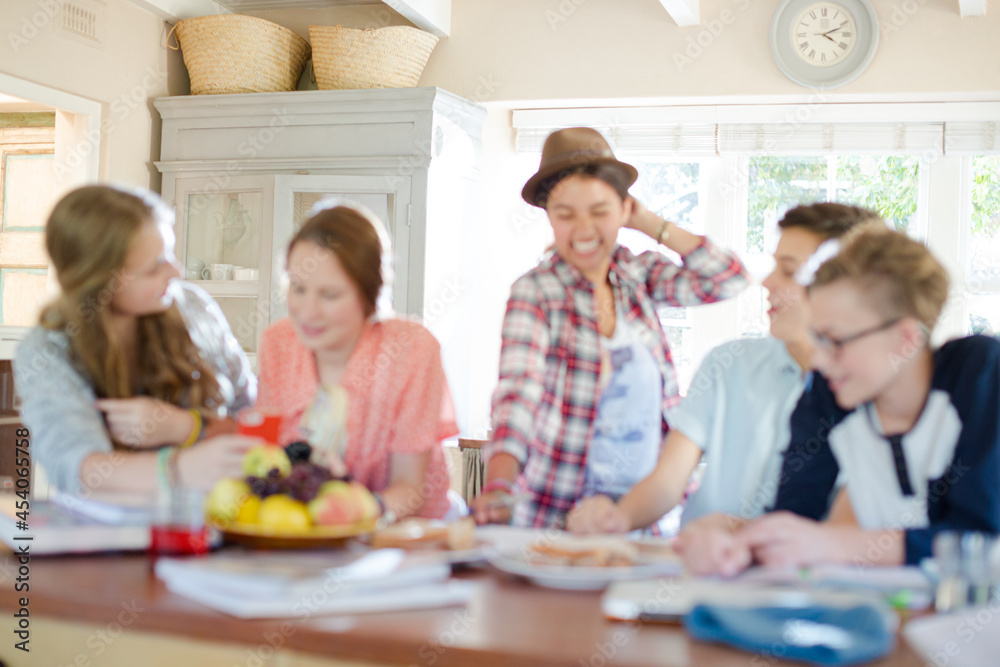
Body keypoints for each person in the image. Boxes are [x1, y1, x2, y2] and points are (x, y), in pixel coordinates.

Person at [471, 127, 749, 529]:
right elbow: (519, 392)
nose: (583, 229)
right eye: (566, 214)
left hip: (649, 511)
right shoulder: (536, 291)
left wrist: (652, 224)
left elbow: (727, 278)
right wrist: (499, 483)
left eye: (600, 211)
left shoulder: (638, 274)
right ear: (549, 216)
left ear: (623, 210)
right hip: (559, 513)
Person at [567, 204, 880, 541]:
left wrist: (745, 532)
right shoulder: (727, 363)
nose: (767, 282)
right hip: (698, 571)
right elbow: (668, 482)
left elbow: (855, 527)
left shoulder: (873, 392)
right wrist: (618, 518)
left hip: (805, 579)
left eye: (788, 271)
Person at [732, 228, 1000, 572]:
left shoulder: (979, 373)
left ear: (906, 338)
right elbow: (794, 518)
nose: (817, 359)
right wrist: (736, 546)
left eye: (834, 340)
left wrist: (831, 542)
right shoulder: (831, 395)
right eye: (816, 338)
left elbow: (978, 539)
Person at [14, 184, 258, 496]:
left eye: (169, 254)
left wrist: (187, 427)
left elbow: (252, 416)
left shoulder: (193, 308)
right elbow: (78, 467)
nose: (176, 271)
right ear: (101, 281)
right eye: (155, 266)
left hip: (224, 516)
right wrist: (180, 468)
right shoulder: (48, 350)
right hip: (113, 533)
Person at [256, 202, 458, 521]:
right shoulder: (278, 342)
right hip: (307, 533)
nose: (307, 312)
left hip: (403, 537)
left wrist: (353, 513)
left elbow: (409, 491)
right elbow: (268, 459)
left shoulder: (412, 350)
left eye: (330, 295)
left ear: (369, 293)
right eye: (298, 288)